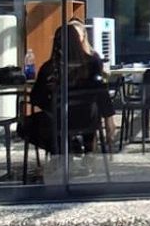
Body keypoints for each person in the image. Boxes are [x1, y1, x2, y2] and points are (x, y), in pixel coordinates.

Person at [29, 20, 118, 153]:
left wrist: (51, 104)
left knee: (25, 126)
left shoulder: (49, 68)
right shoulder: (92, 63)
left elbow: (36, 97)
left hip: (59, 120)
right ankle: (76, 147)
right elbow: (101, 91)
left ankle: (68, 147)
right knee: (86, 112)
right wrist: (108, 118)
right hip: (88, 119)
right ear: (78, 41)